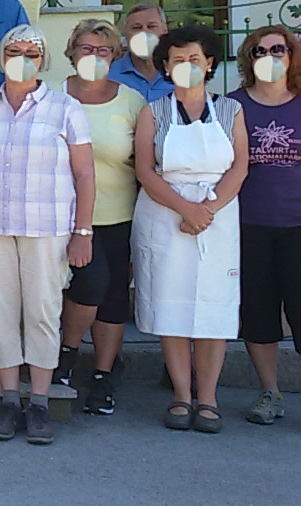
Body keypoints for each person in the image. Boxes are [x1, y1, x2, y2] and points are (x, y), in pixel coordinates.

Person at [0, 24, 94, 446]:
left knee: (41, 311)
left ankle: (39, 402)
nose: (21, 58)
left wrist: (82, 231)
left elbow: (85, 174)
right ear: (1, 56)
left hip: (46, 227)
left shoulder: (65, 108)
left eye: (30, 53)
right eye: (13, 50)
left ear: (42, 61)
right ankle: (8, 400)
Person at [132, 25, 247, 434]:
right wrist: (184, 207)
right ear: (165, 65)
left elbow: (239, 166)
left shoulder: (231, 111)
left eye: (194, 59)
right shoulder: (153, 112)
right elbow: (145, 169)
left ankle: (209, 397)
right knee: (172, 305)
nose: (186, 66)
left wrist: (208, 209)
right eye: (177, 60)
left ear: (210, 63)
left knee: (213, 307)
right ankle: (181, 394)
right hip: (167, 213)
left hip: (218, 216)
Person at [51, 19, 146, 416]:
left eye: (103, 50)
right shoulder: (53, 97)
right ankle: (67, 353)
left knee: (111, 297)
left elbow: (144, 162)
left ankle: (104, 375)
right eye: (86, 49)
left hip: (118, 213)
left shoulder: (132, 101)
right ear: (72, 52)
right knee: (89, 284)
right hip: (62, 216)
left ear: (115, 56)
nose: (94, 57)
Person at [229, 24, 301, 426]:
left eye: (278, 49)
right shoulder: (234, 106)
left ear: (291, 55)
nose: (269, 57)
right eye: (259, 51)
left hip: (298, 225)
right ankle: (269, 391)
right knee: (258, 311)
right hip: (249, 225)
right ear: (248, 59)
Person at [110, 1, 175, 102]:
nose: (144, 33)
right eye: (136, 28)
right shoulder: (109, 75)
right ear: (125, 35)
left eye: (151, 26)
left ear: (165, 30)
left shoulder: (179, 73)